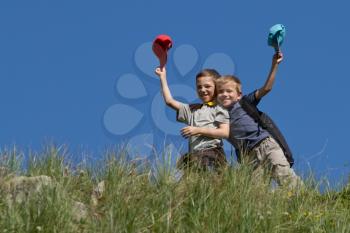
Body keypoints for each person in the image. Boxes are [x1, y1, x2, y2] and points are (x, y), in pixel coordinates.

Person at [154, 67, 229, 171]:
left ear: (217, 87)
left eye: (207, 86)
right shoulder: (193, 109)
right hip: (195, 154)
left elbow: (224, 132)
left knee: (212, 181)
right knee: (190, 178)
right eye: (199, 87)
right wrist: (162, 77)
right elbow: (169, 101)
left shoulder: (219, 108)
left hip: (212, 152)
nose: (202, 90)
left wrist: (198, 130)